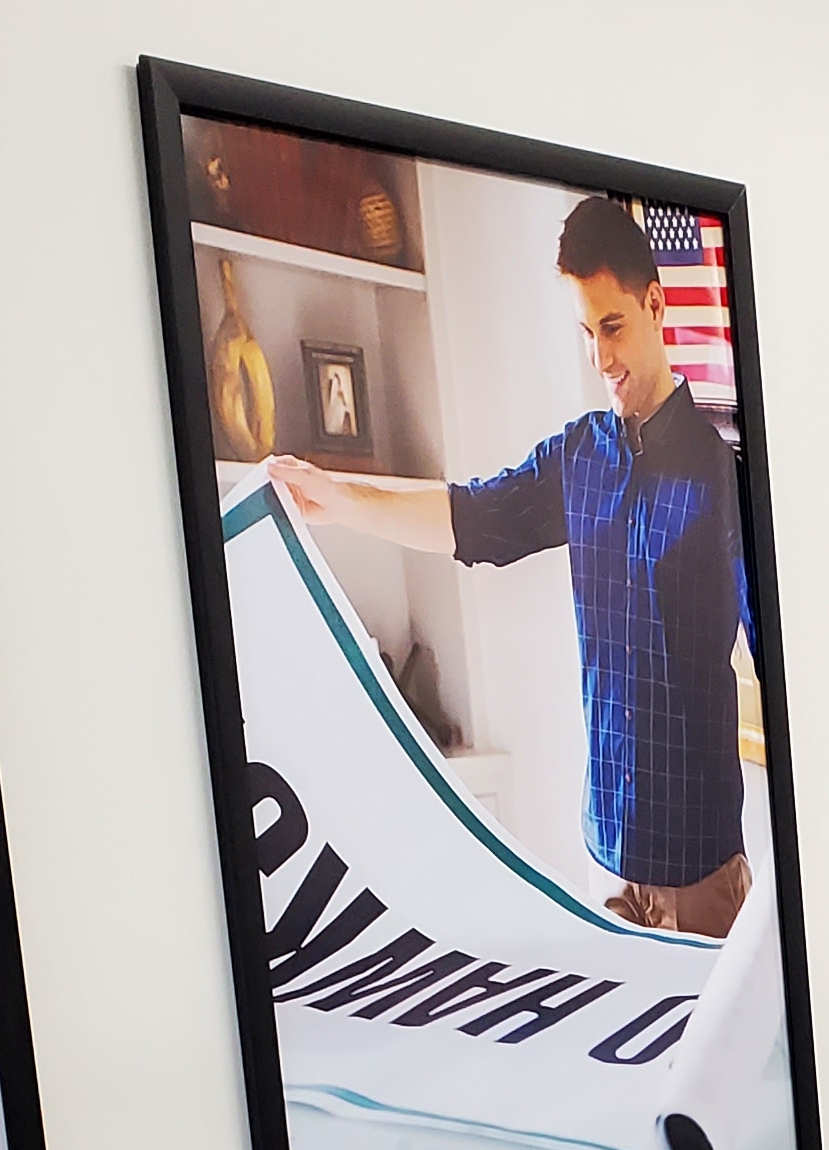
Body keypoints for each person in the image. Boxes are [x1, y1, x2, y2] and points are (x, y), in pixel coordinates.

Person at [266, 195, 752, 936]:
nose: (602, 359)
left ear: (657, 305)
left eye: (614, 326)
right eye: (587, 333)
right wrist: (342, 499)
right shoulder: (580, 456)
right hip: (607, 855)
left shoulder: (725, 470)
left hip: (702, 869)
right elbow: (473, 516)